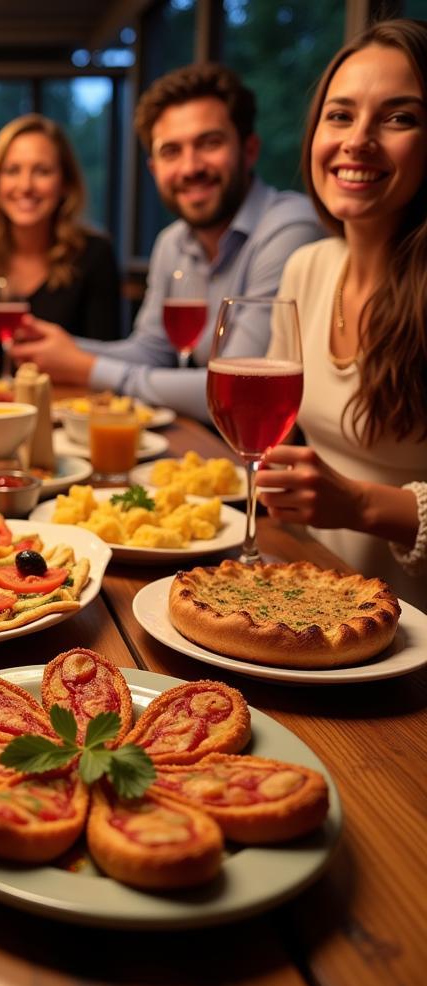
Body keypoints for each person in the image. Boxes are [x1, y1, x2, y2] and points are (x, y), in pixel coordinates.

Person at [10, 63, 324, 421]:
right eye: (171, 151)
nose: (190, 167)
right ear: (154, 168)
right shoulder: (172, 242)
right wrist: (63, 348)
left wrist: (87, 368)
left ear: (249, 149)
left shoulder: (289, 227)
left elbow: (235, 387)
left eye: (209, 143)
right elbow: (151, 351)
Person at [256, 19, 427, 606]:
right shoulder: (307, 267)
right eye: (340, 114)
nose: (358, 140)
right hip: (315, 597)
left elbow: (343, 494)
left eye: (399, 117)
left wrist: (358, 504)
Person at [0, 113, 121, 359]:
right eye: (12, 170)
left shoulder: (95, 254)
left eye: (42, 171)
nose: (25, 186)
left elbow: (105, 359)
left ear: (65, 183)